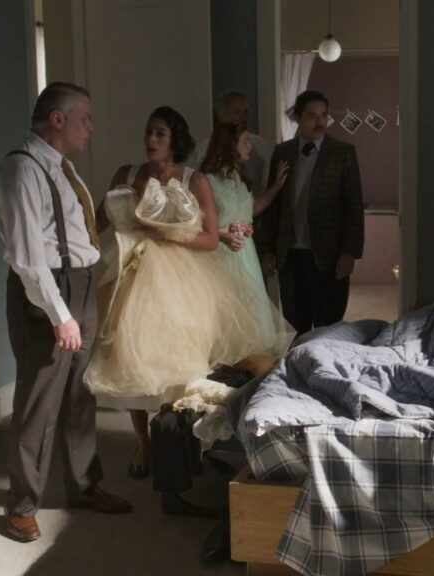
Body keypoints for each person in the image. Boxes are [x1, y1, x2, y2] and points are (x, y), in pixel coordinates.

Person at [83, 106, 260, 481]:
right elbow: (98, 221)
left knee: (180, 363)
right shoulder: (127, 174)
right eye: (148, 132)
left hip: (181, 281)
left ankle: (179, 438)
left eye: (159, 133)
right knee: (130, 358)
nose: (151, 139)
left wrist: (168, 234)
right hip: (130, 275)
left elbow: (210, 238)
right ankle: (143, 441)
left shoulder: (195, 180)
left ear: (174, 139)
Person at [0, 81, 131, 543]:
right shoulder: (21, 169)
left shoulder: (62, 168)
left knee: (79, 394)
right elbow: (28, 256)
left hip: (81, 284)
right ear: (57, 118)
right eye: (84, 118)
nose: (90, 127)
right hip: (47, 291)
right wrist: (59, 314)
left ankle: (85, 485)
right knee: (39, 400)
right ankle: (21, 506)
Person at [257, 90, 364, 335]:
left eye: (324, 115)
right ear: (298, 118)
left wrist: (350, 252)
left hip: (330, 254)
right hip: (290, 254)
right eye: (311, 116)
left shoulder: (343, 153)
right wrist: (268, 249)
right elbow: (274, 205)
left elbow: (353, 206)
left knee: (329, 324)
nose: (319, 122)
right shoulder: (282, 152)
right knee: (295, 323)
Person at [199, 122, 296, 354]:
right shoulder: (207, 181)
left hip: (246, 252)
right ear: (231, 145)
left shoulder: (241, 179)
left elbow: (251, 209)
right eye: (245, 141)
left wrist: (275, 187)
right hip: (222, 255)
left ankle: (248, 364)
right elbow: (198, 222)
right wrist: (223, 232)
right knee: (226, 313)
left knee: (251, 312)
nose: (250, 146)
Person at [190, 89, 271, 196]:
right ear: (220, 116)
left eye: (245, 112)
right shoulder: (203, 150)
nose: (243, 118)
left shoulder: (261, 146)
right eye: (236, 112)